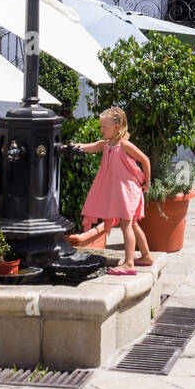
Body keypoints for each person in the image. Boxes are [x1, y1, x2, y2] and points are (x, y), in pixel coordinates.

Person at [65, 107, 154, 274]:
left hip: (129, 191)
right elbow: (87, 147)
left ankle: (128, 264)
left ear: (117, 126)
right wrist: (67, 147)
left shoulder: (124, 145)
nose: (101, 129)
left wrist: (147, 183)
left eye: (104, 126)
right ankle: (146, 256)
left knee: (126, 225)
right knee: (133, 224)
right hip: (122, 192)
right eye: (101, 126)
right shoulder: (106, 145)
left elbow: (145, 160)